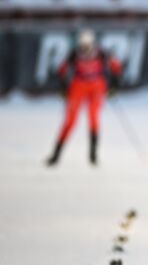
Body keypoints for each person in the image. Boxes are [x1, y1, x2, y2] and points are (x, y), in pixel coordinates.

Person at [46, 29, 122, 166]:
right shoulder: (74, 53)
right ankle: (56, 155)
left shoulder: (101, 53)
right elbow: (62, 70)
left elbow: (116, 66)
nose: (85, 50)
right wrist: (64, 88)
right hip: (79, 86)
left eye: (88, 46)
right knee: (70, 121)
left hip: (96, 86)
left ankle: (93, 155)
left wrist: (114, 85)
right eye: (83, 46)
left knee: (94, 117)